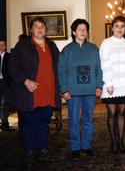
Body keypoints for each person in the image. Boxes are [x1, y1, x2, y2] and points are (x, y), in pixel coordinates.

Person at [9, 17, 61, 167]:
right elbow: (13, 67)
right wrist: (25, 81)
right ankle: (30, 151)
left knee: (44, 123)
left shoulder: (51, 45)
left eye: (42, 26)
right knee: (28, 123)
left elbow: (58, 67)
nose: (39, 29)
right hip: (29, 93)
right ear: (31, 30)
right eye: (36, 26)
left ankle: (42, 149)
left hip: (47, 91)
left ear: (45, 29)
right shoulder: (22, 46)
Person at [58, 18, 103, 161]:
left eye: (85, 29)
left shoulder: (93, 48)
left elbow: (99, 69)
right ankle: (75, 148)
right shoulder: (66, 50)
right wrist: (64, 89)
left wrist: (99, 86)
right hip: (73, 93)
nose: (83, 32)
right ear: (73, 31)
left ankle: (86, 146)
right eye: (80, 29)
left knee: (88, 120)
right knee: (73, 121)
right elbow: (61, 71)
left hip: (90, 91)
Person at [99, 16, 125, 154]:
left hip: (124, 83)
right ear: (112, 28)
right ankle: (113, 142)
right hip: (110, 84)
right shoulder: (106, 43)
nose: (119, 28)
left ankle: (121, 141)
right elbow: (104, 63)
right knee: (112, 113)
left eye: (122, 26)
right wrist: (109, 82)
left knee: (122, 113)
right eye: (117, 26)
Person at [0, 39, 12, 131]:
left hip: (6, 82)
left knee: (5, 103)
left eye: (2, 45)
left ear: (5, 47)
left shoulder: (9, 57)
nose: (1, 47)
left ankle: (5, 122)